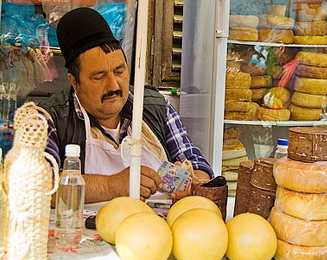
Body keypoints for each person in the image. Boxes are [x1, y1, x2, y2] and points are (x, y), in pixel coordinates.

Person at [34, 7, 213, 203]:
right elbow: (35, 185)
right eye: (99, 76)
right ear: (74, 81)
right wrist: (111, 185)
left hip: (152, 229)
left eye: (119, 72)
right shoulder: (47, 119)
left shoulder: (156, 107)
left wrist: (196, 182)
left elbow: (196, 164)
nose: (113, 85)